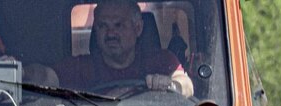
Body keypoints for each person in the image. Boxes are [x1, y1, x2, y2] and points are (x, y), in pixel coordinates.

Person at [53, 0, 192, 96]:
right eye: (103, 26)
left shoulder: (161, 60)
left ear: (137, 28)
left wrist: (169, 85)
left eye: (118, 25)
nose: (110, 33)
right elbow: (47, 77)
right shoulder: (81, 67)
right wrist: (34, 74)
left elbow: (186, 85)